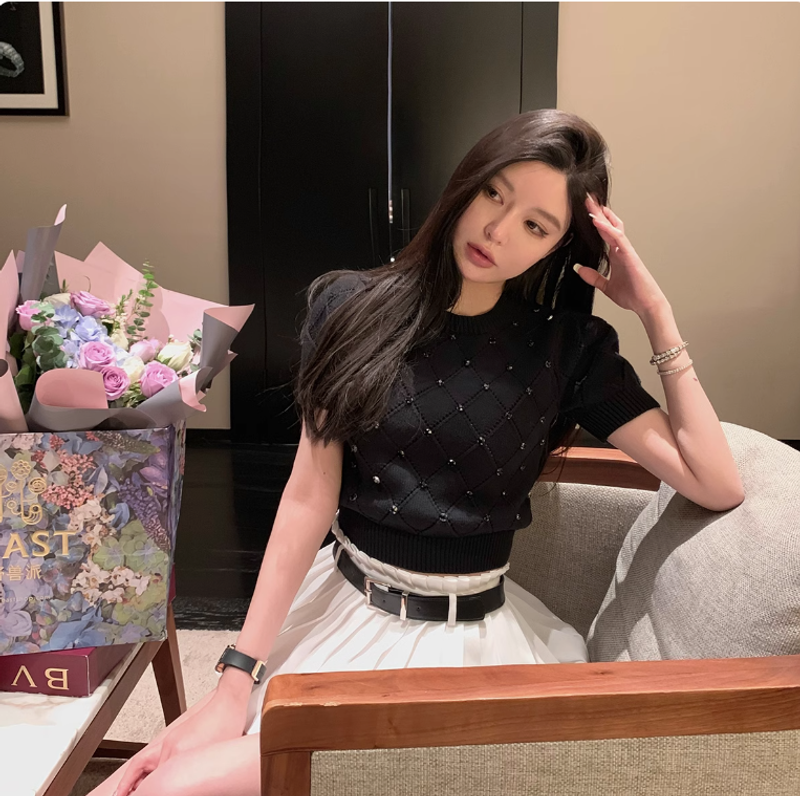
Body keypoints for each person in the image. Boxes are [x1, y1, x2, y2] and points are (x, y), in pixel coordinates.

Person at [97, 109, 744, 796]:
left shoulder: (568, 350)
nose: (498, 230)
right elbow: (308, 497)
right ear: (467, 182)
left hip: (464, 652)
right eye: (495, 194)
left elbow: (715, 481)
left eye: (536, 225)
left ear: (559, 248)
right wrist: (232, 682)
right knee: (145, 779)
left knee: (178, 787)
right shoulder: (348, 305)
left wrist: (655, 313)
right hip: (339, 607)